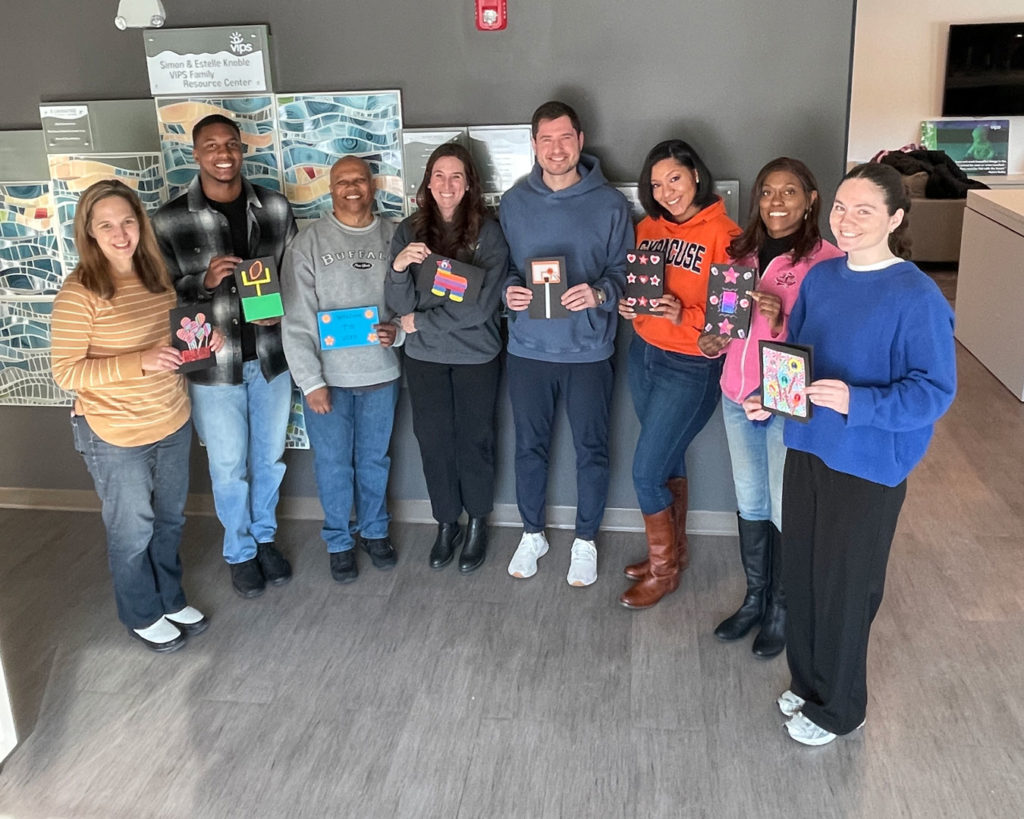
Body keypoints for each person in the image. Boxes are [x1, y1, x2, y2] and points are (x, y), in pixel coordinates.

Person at [744, 162, 956, 745]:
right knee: (804, 573)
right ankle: (809, 682)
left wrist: (857, 402)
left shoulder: (917, 296)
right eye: (841, 207)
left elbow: (934, 393)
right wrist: (772, 397)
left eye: (865, 210)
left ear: (895, 218)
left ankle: (841, 708)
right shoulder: (822, 279)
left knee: (846, 585)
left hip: (869, 463)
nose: (848, 219)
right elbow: (798, 356)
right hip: (809, 447)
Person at [51, 180, 223, 652]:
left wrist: (203, 342)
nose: (120, 233)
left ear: (140, 224)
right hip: (114, 433)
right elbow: (66, 372)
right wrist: (138, 362)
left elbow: (169, 343)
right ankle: (141, 613)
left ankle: (169, 598)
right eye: (106, 225)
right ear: (89, 232)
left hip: (171, 419)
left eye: (127, 221)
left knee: (169, 522)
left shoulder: (155, 275)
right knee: (132, 532)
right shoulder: (79, 292)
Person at [698, 158, 843, 655]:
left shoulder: (827, 263)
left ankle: (782, 607)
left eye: (789, 192)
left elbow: (829, 343)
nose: (776, 202)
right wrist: (711, 344)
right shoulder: (739, 254)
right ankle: (754, 599)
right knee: (751, 501)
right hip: (737, 396)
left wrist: (781, 321)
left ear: (811, 200)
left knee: (784, 507)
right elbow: (724, 331)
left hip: (785, 402)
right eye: (766, 192)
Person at [152, 114, 298, 600]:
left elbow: (294, 276)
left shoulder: (274, 207)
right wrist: (204, 281)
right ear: (195, 154)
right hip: (211, 367)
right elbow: (157, 294)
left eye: (231, 144)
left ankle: (265, 539)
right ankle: (239, 551)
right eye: (211, 145)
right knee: (228, 465)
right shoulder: (169, 220)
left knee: (270, 459)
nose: (223, 154)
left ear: (242, 149)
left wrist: (281, 309)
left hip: (271, 359)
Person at [500, 100, 633, 586]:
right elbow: (504, 268)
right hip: (528, 350)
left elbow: (625, 273)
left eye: (564, 138)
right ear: (534, 145)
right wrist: (508, 292)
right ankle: (532, 533)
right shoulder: (514, 202)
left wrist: (599, 293)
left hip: (589, 351)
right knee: (528, 448)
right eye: (546, 139)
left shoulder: (611, 204)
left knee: (592, 449)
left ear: (580, 140)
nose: (556, 149)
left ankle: (585, 541)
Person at [617, 139, 740, 609]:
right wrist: (631, 306)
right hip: (645, 355)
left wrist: (683, 316)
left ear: (696, 176)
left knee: (645, 472)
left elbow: (730, 320)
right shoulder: (647, 228)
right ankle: (674, 553)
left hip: (690, 366)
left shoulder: (727, 234)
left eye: (674, 179)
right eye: (656, 184)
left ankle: (663, 573)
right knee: (666, 463)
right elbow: (639, 287)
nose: (666, 192)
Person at [384, 144, 509, 573]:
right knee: (433, 441)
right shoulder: (409, 231)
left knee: (475, 441)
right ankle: (445, 522)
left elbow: (480, 309)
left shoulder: (489, 234)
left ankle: (477, 521)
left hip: (477, 357)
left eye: (456, 176)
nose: (447, 184)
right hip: (425, 359)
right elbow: (400, 305)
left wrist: (422, 321)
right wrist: (399, 267)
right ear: (428, 182)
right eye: (439, 175)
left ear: (469, 183)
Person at [281, 156, 403, 583]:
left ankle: (374, 531)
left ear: (373, 186)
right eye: (342, 181)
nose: (352, 187)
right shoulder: (307, 244)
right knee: (333, 465)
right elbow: (296, 320)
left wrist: (397, 333)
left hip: (381, 374)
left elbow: (408, 303)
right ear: (330, 190)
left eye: (360, 180)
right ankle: (338, 541)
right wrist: (310, 382)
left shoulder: (395, 236)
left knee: (374, 461)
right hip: (328, 381)